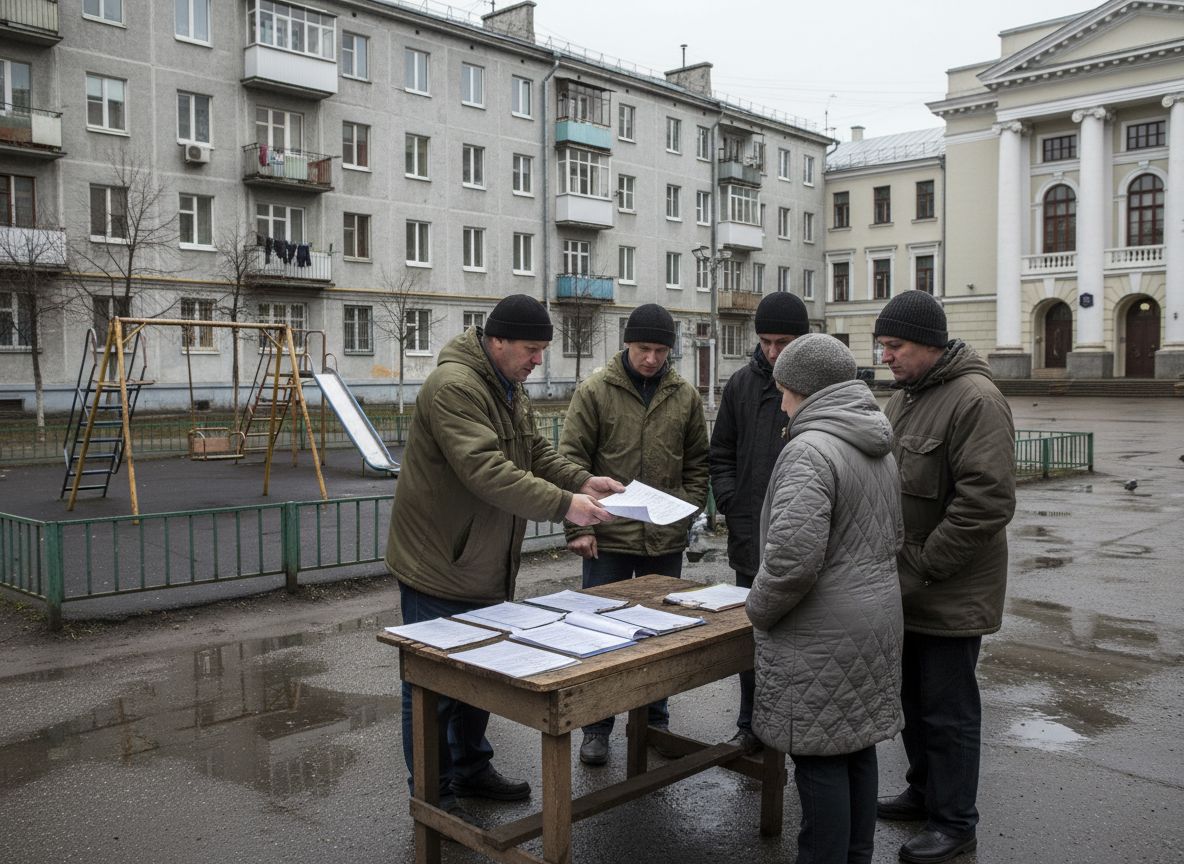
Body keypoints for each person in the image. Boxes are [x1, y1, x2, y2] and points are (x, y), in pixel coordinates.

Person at [385, 294, 623, 820]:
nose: (538, 360)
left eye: (541, 350)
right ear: (497, 341)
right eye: (531, 349)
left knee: (478, 675)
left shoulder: (506, 384)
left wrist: (582, 480)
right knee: (431, 688)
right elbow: (486, 470)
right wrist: (567, 505)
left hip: (483, 561)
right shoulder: (455, 387)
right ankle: (432, 797)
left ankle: (470, 770)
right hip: (439, 564)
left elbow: (532, 450)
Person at [747, 333, 905, 864]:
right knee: (856, 748)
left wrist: (758, 609)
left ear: (806, 390)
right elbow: (894, 536)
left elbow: (792, 560)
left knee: (818, 760)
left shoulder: (810, 449)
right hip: (874, 621)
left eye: (785, 392)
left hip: (819, 633)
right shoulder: (872, 440)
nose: (782, 405)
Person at [872, 290, 1016, 864]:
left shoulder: (976, 399)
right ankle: (925, 792)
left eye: (894, 346)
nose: (885, 357)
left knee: (948, 712)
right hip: (907, 585)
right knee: (912, 698)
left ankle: (955, 823)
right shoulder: (907, 396)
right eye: (883, 346)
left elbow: (986, 502)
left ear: (929, 344)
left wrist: (924, 567)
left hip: (950, 590)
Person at [558, 303, 710, 766]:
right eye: (644, 348)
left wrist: (685, 512)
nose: (651, 359)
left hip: (664, 538)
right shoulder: (595, 391)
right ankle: (596, 727)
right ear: (627, 343)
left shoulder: (684, 396)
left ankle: (654, 723)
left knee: (660, 633)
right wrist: (577, 527)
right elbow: (570, 459)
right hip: (607, 538)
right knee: (600, 633)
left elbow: (697, 463)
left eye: (661, 351)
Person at [709, 291, 810, 753]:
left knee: (803, 642)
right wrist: (732, 501)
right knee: (753, 639)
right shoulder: (741, 385)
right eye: (766, 341)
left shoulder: (819, 387)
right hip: (750, 537)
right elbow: (721, 453)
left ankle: (798, 731)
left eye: (782, 343)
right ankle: (750, 725)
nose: (772, 352)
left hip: (803, 539)